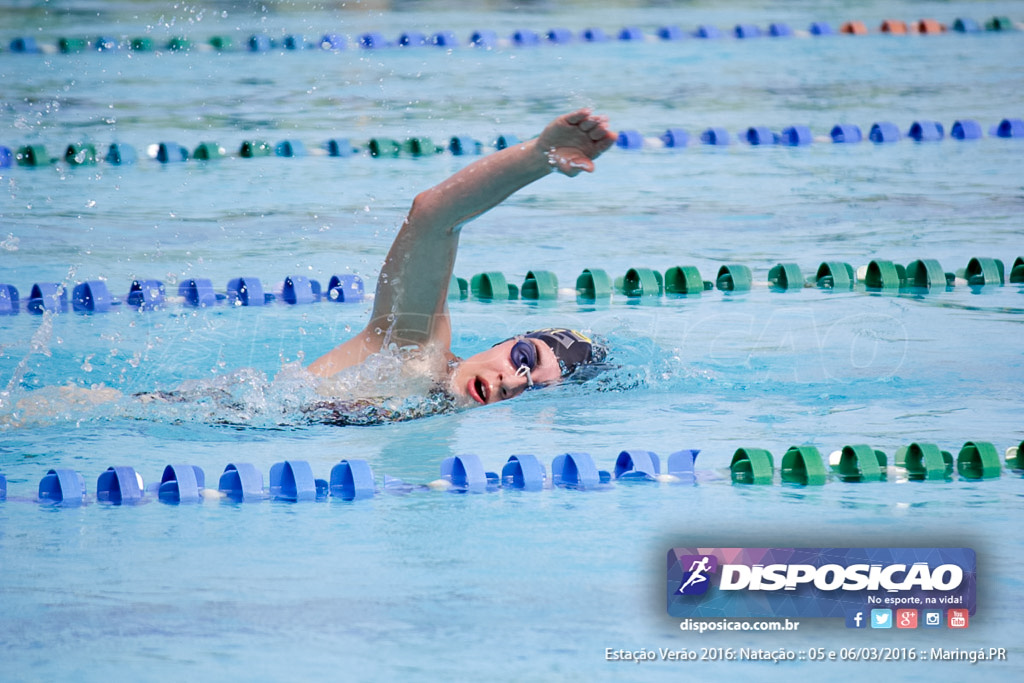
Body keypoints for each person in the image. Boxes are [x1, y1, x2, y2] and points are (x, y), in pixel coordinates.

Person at [307, 108, 617, 410]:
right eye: (524, 360)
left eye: (533, 388)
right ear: (505, 342)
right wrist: (540, 156)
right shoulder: (411, 349)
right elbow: (433, 216)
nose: (511, 383)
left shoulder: (444, 424)